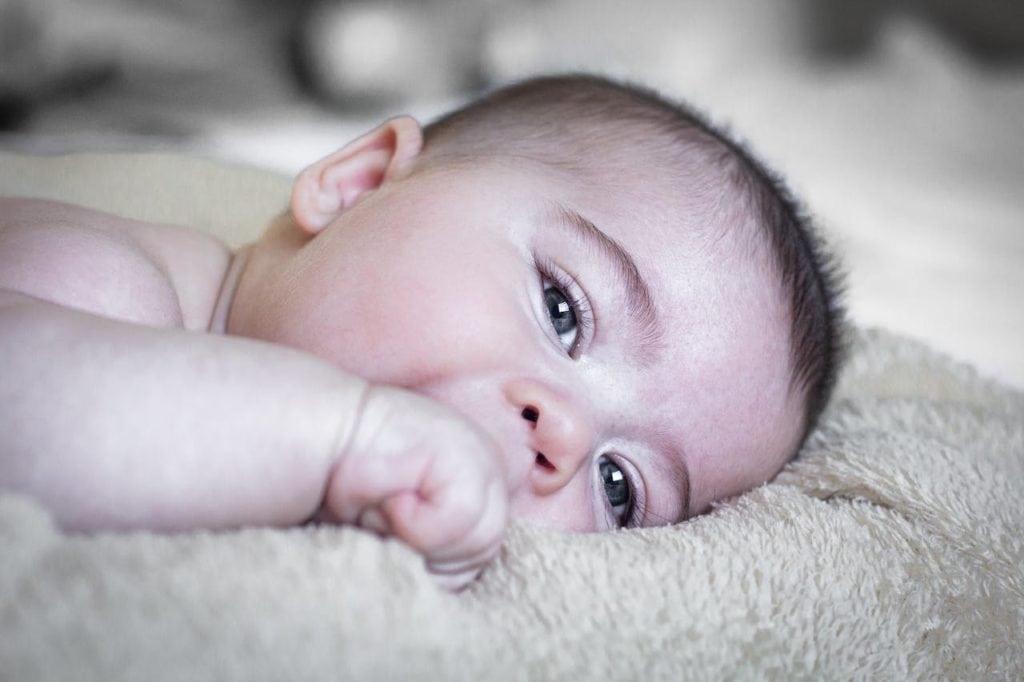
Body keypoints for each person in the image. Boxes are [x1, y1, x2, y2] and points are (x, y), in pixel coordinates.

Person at [0, 74, 845, 588]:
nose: (569, 433)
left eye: (621, 488)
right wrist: (340, 441)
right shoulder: (101, 280)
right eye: (563, 310)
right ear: (357, 183)